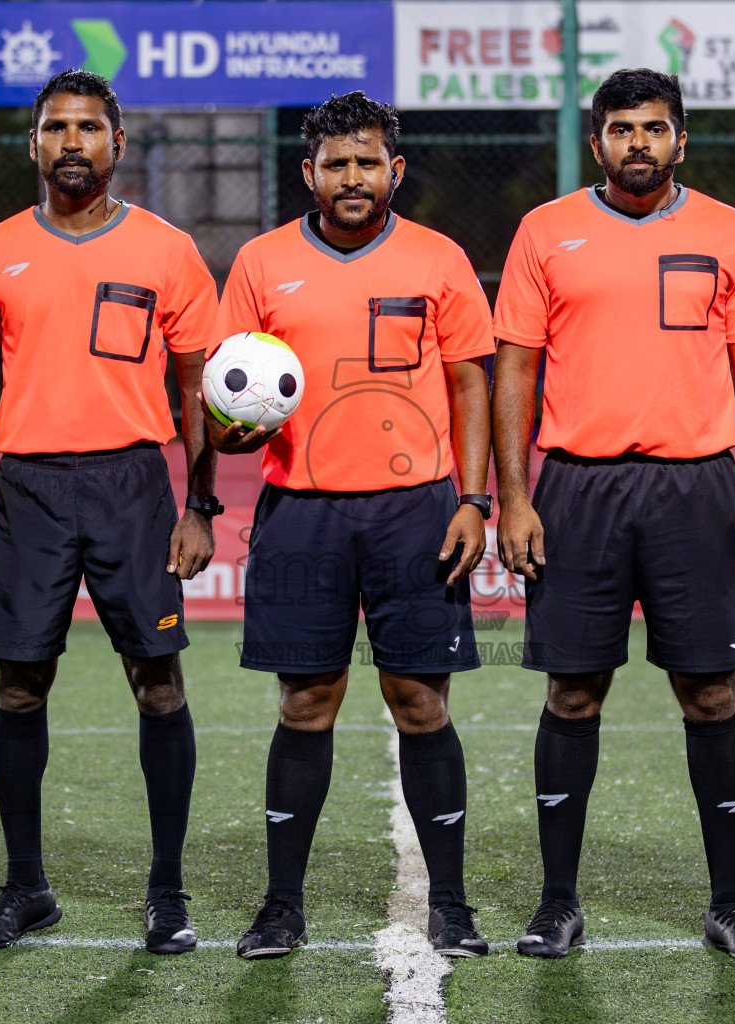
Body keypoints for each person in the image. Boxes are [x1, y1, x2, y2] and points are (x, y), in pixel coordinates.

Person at [491, 68, 735, 961]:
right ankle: (557, 904)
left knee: (711, 691)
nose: (638, 144)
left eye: (654, 129)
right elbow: (514, 369)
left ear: (681, 140)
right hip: (576, 488)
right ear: (598, 144)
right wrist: (513, 495)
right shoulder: (546, 233)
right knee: (572, 691)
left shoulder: (730, 234)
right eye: (621, 130)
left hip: (698, 488)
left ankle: (729, 904)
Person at [211, 92, 494, 960]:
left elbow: (472, 385)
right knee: (305, 703)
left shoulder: (439, 260)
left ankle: (449, 902)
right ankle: (281, 906)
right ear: (310, 174)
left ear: (395, 170)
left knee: (420, 702)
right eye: (336, 164)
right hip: (302, 512)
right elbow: (225, 398)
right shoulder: (260, 264)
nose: (353, 177)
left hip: (418, 514)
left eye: (368, 162)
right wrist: (234, 426)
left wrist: (475, 501)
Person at [0, 70, 219, 955]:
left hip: (133, 488)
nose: (74, 142)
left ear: (118, 144)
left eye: (90, 128)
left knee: (158, 681)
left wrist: (200, 505)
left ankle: (167, 891)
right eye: (57, 128)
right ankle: (26, 887)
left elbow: (197, 389)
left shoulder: (168, 250)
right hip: (27, 491)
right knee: (19, 682)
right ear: (34, 145)